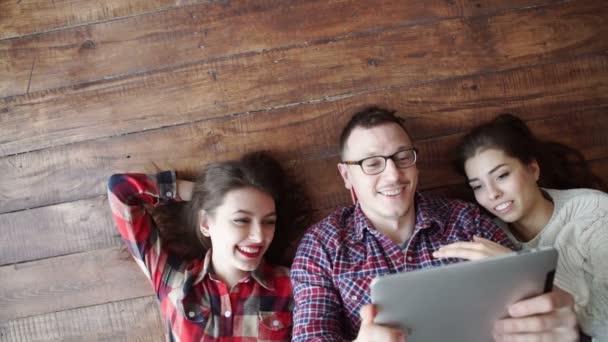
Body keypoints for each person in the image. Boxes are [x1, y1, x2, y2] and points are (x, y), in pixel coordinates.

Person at [290, 107, 580, 342]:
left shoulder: (466, 221)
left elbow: (533, 309)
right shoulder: (322, 246)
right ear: (345, 175)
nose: (393, 175)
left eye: (402, 157)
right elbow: (311, 335)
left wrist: (557, 327)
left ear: (415, 164)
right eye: (372, 163)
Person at [434, 113, 608, 340]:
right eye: (478, 186)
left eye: (502, 175)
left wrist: (517, 267)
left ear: (533, 170)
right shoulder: (489, 236)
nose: (492, 193)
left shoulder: (595, 212)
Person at [107, 152, 295, 341]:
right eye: (241, 220)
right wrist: (204, 193)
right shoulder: (173, 279)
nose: (259, 236)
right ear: (205, 223)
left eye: (268, 222)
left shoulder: (293, 285)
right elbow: (122, 190)